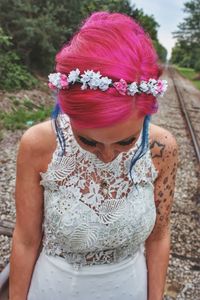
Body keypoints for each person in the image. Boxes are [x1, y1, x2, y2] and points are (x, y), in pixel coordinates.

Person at [9, 11, 178, 300]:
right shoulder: (37, 144)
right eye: (88, 141)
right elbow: (26, 240)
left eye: (126, 141)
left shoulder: (162, 149)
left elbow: (159, 237)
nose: (107, 155)